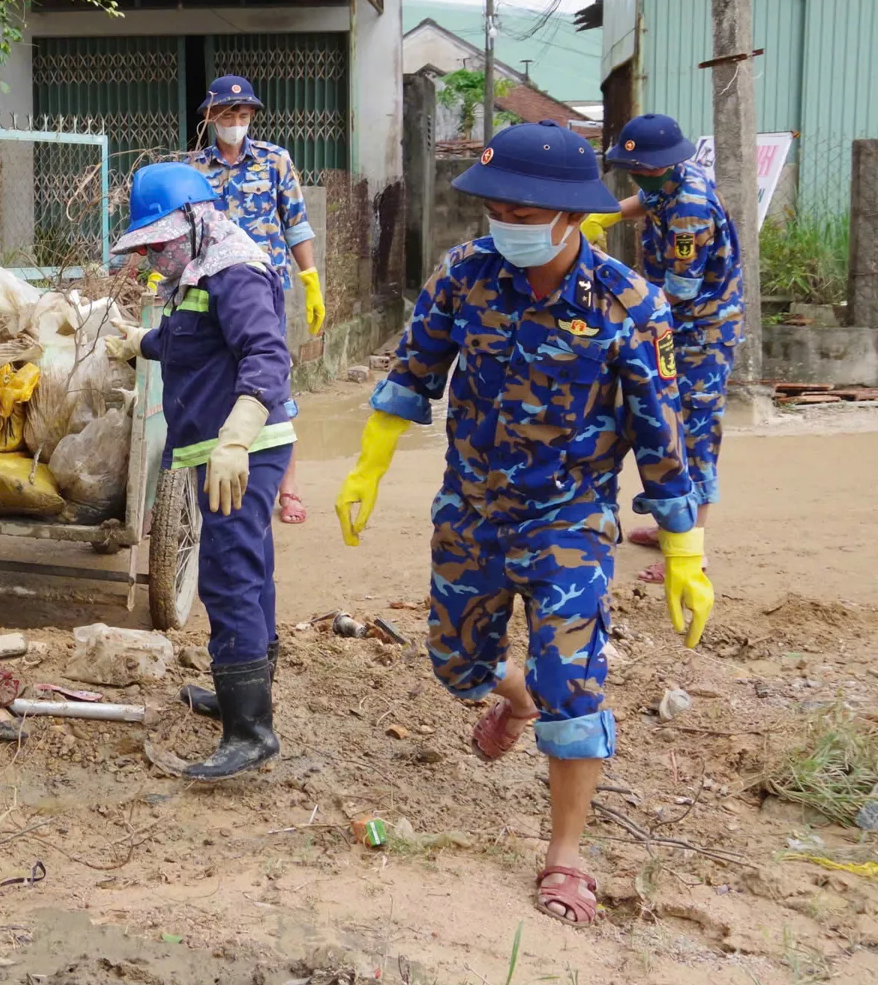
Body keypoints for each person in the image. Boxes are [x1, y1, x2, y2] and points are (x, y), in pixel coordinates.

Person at [334, 121, 714, 925]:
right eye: (496, 209)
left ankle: (565, 856)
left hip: (568, 522)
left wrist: (686, 549)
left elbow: (662, 433)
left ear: (572, 215)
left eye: (522, 212)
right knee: (456, 665)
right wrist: (367, 467)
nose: (504, 224)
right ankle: (517, 698)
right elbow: (413, 370)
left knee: (573, 687)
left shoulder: (628, 305)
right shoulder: (465, 275)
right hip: (470, 512)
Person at [103, 162, 295, 780]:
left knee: (228, 574)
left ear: (196, 219)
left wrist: (236, 440)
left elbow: (266, 354)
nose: (154, 257)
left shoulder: (236, 271)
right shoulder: (198, 271)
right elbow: (189, 340)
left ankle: (250, 732)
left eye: (161, 242)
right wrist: (140, 342)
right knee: (250, 566)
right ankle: (246, 694)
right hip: (218, 448)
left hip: (241, 449)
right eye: (148, 247)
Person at [581, 114, 743, 580]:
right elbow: (646, 201)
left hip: (702, 332)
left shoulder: (690, 208)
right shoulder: (672, 178)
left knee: (692, 430)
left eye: (639, 169)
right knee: (664, 422)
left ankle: (694, 549)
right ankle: (671, 523)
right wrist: (605, 214)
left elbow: (678, 290)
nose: (635, 176)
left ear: (659, 165)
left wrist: (624, 301)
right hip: (678, 327)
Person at [185, 75, 323, 526]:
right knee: (213, 382)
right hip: (209, 293)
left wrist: (311, 279)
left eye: (244, 115)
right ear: (210, 116)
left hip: (264, 294)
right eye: (229, 114)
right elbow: (181, 227)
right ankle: (210, 481)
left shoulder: (274, 160)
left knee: (270, 382)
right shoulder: (193, 168)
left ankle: (288, 489)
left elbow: (296, 224)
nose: (237, 122)